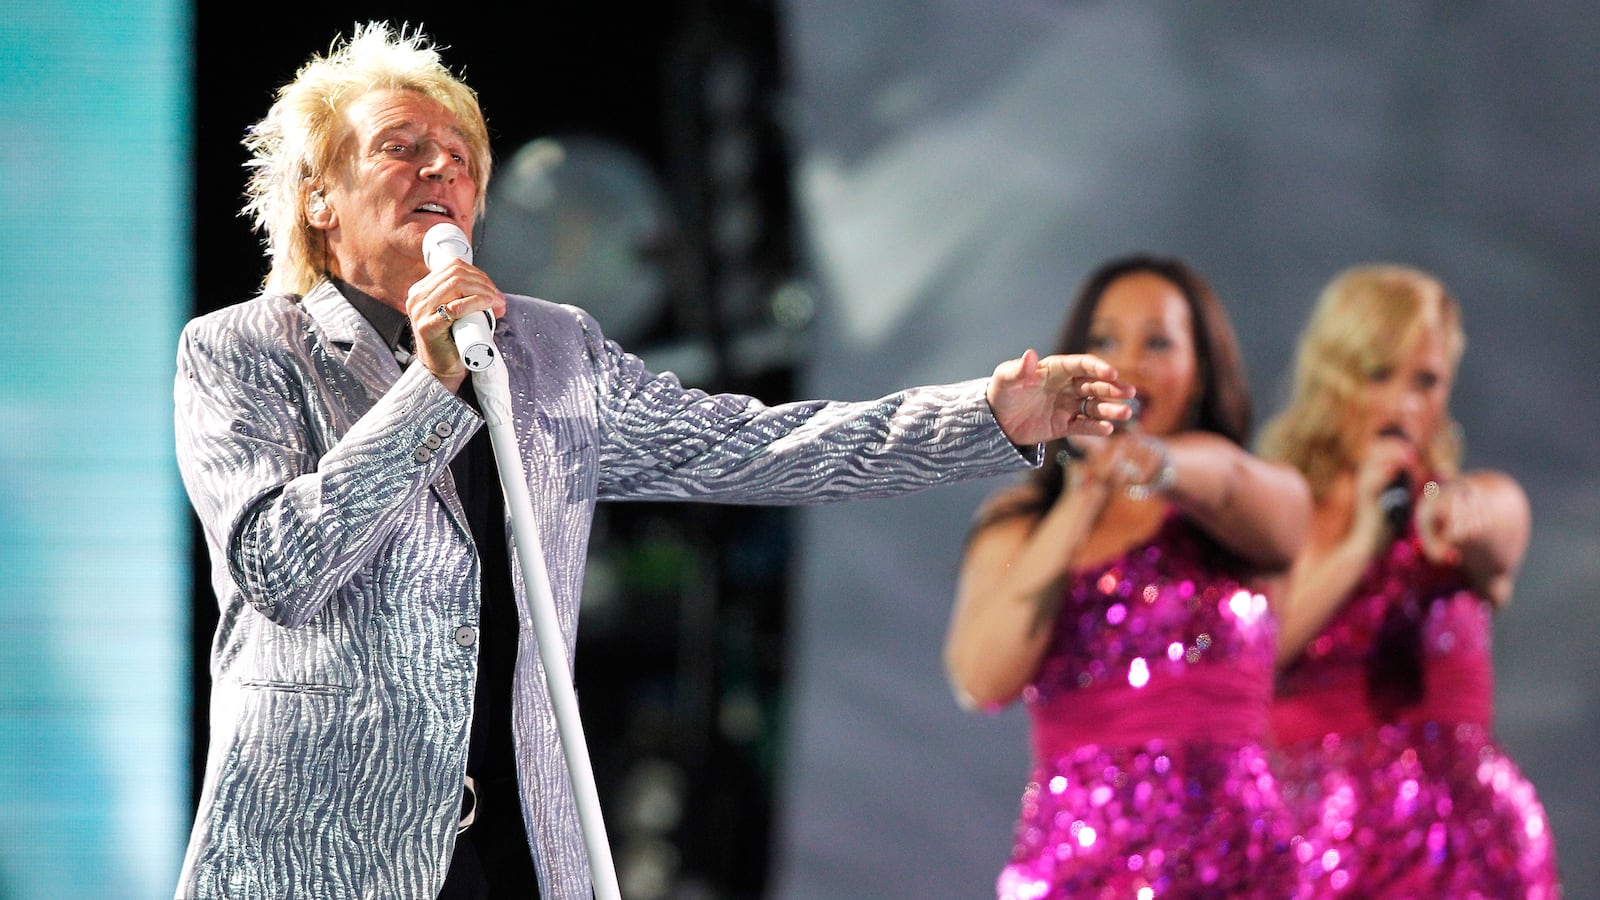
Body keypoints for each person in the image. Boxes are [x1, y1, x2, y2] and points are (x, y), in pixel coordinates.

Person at [172, 22, 1136, 900]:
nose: (443, 171)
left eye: (463, 159)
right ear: (317, 196)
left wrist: (985, 416)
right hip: (318, 854)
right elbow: (279, 571)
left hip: (522, 851)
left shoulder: (548, 351)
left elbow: (756, 449)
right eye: (402, 148)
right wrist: (429, 387)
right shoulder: (239, 353)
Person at [944, 255, 1310, 899]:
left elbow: (1239, 489)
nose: (1129, 365)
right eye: (1105, 341)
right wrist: (1083, 494)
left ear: (1200, 371)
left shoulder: (1237, 500)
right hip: (1080, 874)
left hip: (1243, 873)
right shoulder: (1021, 527)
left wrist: (1152, 464)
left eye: (1158, 342)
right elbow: (981, 679)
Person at [1262, 264, 1560, 897]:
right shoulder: (1276, 510)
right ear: (1334, 375)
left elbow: (1499, 534)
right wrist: (1361, 544)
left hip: (1469, 847)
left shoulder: (1454, 505)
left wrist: (1462, 514)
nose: (1403, 404)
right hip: (1317, 852)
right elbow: (1254, 650)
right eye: (1379, 375)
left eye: (1426, 381)